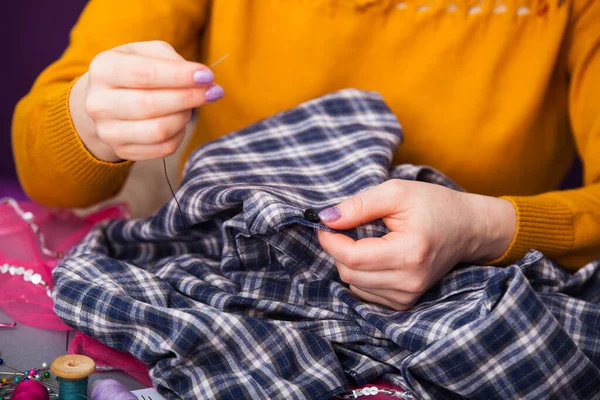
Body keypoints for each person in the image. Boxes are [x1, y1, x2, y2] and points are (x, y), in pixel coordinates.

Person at [12, 0, 600, 310]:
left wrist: (481, 228)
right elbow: (46, 172)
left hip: (478, 287)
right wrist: (92, 116)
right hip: (223, 266)